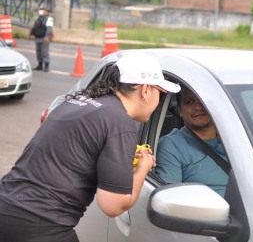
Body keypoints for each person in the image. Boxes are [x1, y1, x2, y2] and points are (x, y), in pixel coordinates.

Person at [0, 52, 181, 242]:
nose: (159, 101)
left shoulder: (80, 102)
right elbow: (113, 205)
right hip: (40, 224)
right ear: (145, 90)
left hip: (8, 204)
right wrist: (143, 168)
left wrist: (121, 157)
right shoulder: (119, 121)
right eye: (160, 93)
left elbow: (76, 151)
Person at [155, 87, 228, 197]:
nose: (198, 107)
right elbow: (170, 199)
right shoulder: (171, 145)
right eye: (189, 102)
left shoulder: (236, 140)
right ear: (180, 110)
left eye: (203, 100)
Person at [29, 6, 53, 72]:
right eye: (41, 10)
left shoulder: (49, 19)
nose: (41, 11)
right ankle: (40, 65)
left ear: (47, 12)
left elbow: (49, 28)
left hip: (44, 38)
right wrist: (32, 34)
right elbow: (34, 25)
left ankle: (46, 66)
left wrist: (46, 37)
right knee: (38, 52)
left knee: (44, 52)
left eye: (43, 10)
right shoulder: (38, 18)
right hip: (38, 38)